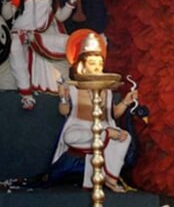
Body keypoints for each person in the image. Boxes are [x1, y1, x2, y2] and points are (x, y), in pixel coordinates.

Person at [0, 0, 83, 109]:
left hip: (42, 36)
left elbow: (60, 16)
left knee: (71, 42)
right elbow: (6, 16)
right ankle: (26, 93)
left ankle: (79, 84)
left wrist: (71, 1)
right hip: (21, 35)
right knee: (15, 47)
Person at [52, 29, 137, 193]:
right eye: (92, 63)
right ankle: (105, 135)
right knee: (70, 137)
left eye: (99, 64)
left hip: (104, 126)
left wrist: (126, 102)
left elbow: (113, 114)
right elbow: (64, 111)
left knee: (125, 138)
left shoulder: (107, 90)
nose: (97, 67)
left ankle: (110, 178)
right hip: (81, 129)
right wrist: (63, 97)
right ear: (82, 65)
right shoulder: (74, 88)